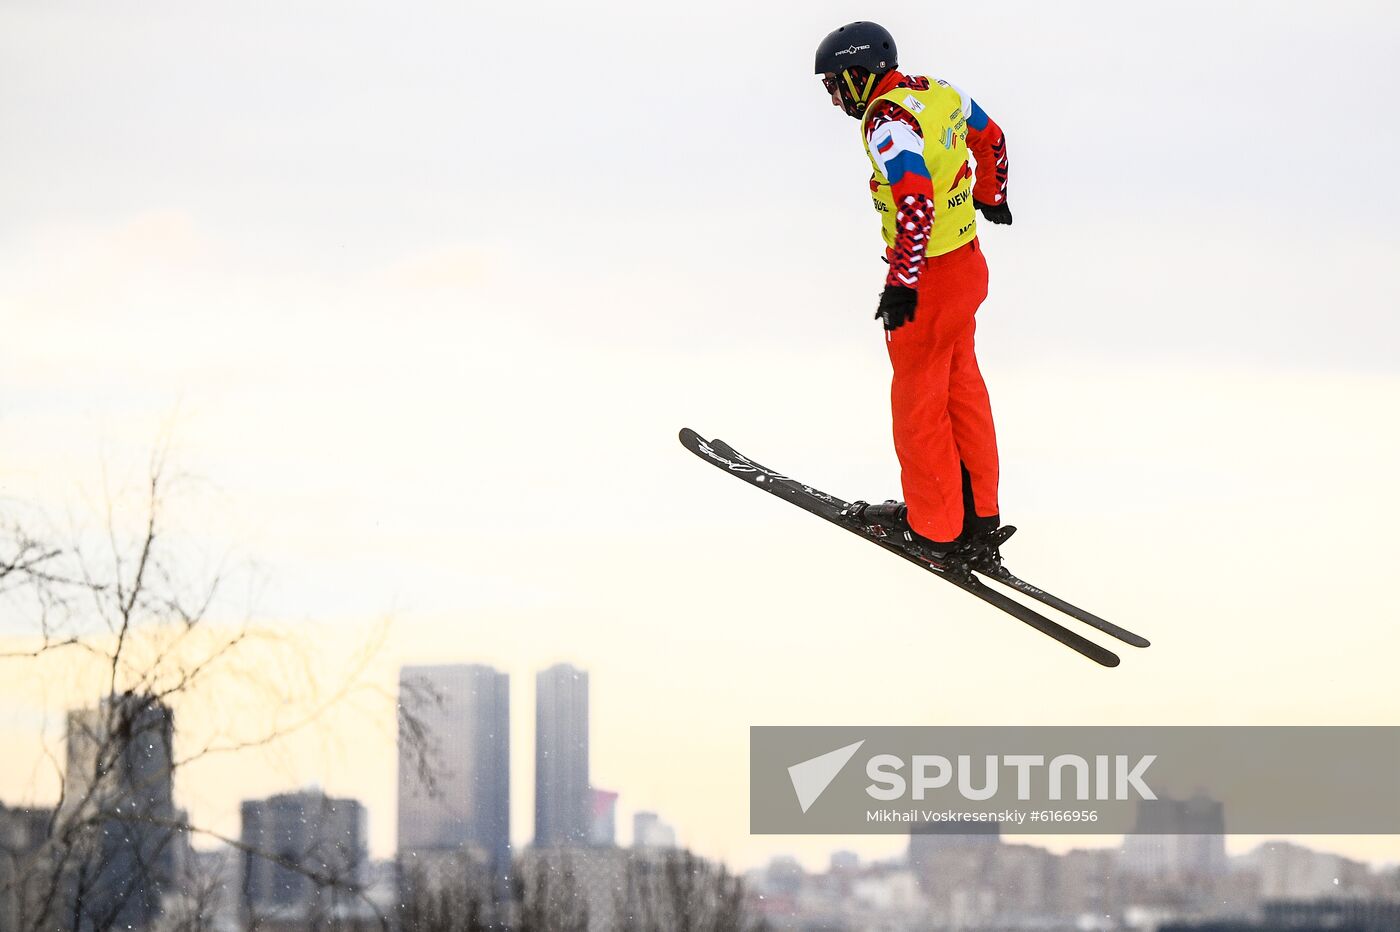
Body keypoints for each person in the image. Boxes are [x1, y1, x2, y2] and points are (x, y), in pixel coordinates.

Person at [815, 21, 1012, 562]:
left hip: (927, 280)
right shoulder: (936, 91)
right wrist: (993, 196)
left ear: (860, 74)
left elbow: (916, 201)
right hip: (967, 266)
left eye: (835, 85)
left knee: (918, 402)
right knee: (961, 386)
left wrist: (902, 282)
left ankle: (935, 529)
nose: (834, 100)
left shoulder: (887, 121)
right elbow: (991, 135)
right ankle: (980, 518)